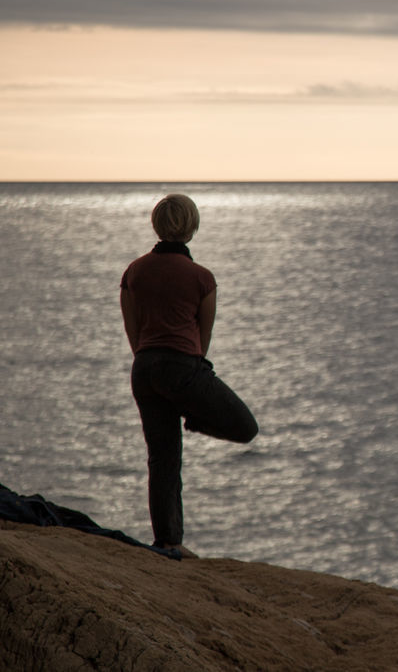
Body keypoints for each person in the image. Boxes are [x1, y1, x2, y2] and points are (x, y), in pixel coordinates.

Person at [120, 194, 258, 557]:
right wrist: (188, 393)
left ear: (157, 225)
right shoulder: (202, 278)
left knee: (162, 459)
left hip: (144, 368)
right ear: (192, 227)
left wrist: (152, 364)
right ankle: (195, 420)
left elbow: (132, 330)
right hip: (181, 367)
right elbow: (203, 339)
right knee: (245, 427)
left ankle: (169, 542)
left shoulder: (133, 271)